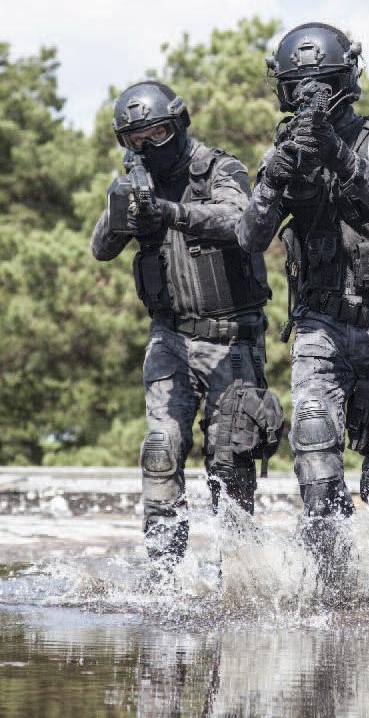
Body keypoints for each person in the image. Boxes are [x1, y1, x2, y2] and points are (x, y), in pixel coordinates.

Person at [238, 22, 369, 571]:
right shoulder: (285, 151)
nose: (307, 98)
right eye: (297, 87)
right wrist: (273, 182)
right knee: (313, 437)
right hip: (321, 325)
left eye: (319, 85)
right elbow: (249, 236)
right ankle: (330, 570)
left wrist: (340, 156)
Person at [91, 80, 283, 563]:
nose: (146, 147)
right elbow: (101, 248)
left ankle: (239, 575)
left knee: (231, 458)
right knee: (160, 448)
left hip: (231, 337)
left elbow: (240, 220)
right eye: (134, 139)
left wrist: (169, 211)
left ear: (177, 126)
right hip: (169, 337)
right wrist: (123, 205)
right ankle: (164, 578)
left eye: (155, 133)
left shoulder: (218, 169)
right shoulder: (138, 182)